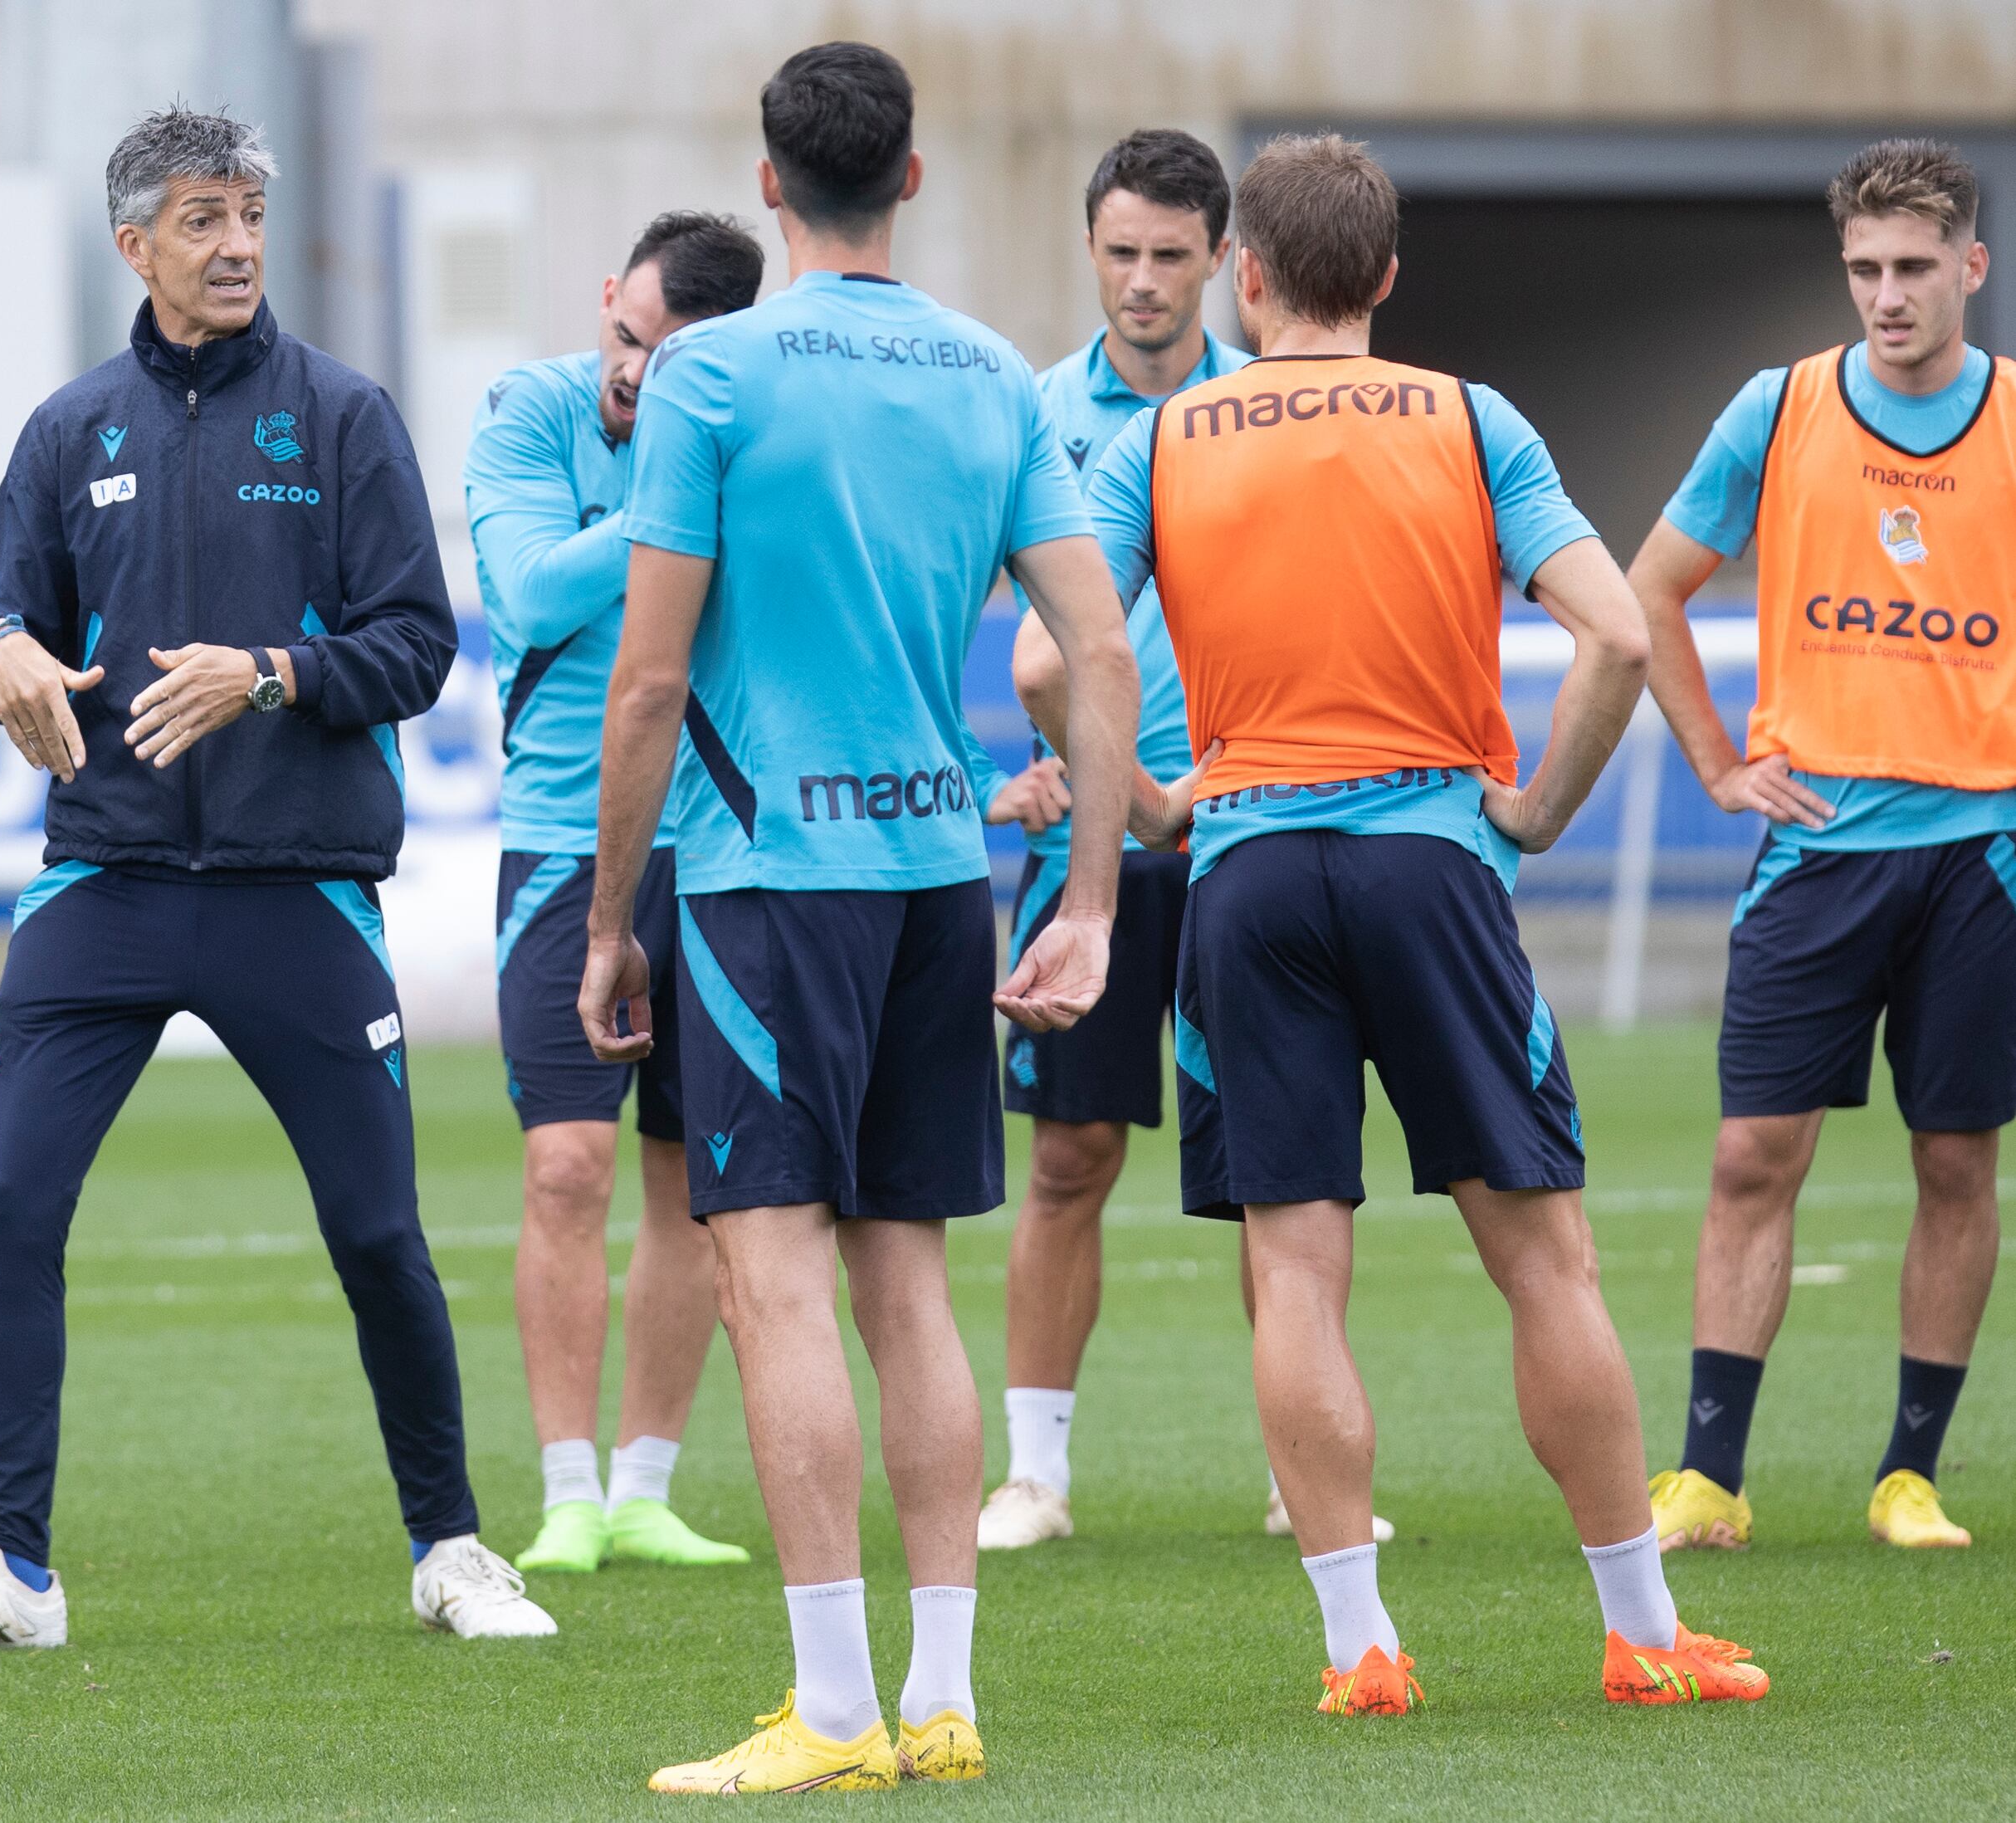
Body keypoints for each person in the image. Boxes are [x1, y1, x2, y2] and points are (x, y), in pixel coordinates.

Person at [1051, 130, 1764, 1715]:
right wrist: (1532, 815)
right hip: (1430, 861)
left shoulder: (1160, 440)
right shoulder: (1467, 416)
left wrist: (1164, 809)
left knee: (1297, 1274)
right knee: (1545, 1261)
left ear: (1243, 276)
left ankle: (1359, 1649)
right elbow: (1619, 636)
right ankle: (1643, 1635)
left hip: (1244, 876)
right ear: (1381, 275)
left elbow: (1058, 663)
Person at [0, 104, 554, 1654]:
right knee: (14, 1205)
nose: (236, 245)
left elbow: (419, 647)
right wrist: (1, 651)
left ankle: (451, 1548)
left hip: (297, 889)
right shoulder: (67, 428)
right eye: (202, 219)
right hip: (100, 880)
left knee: (378, 1233)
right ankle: (10, 1574)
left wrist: (276, 676)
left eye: (249, 215)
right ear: (135, 244)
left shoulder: (346, 414)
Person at [581, 44, 1140, 1791]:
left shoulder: (707, 375)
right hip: (931, 885)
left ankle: (833, 1711)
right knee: (908, 1286)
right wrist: (1096, 903)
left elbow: (649, 679)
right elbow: (1101, 651)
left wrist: (610, 924)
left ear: (766, 184)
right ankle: (944, 1697)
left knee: (772, 1285)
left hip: (762, 890)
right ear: (909, 176)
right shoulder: (992, 371)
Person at [983, 129, 1392, 1552]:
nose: (1143, 280)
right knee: (1070, 1155)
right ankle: (1034, 1474)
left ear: (1230, 260)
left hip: (1244, 838)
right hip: (1088, 851)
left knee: (1275, 1167)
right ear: (1088, 251)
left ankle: (1303, 1472)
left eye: (1172, 254)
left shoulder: (1269, 405)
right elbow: (940, 611)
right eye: (1120, 252)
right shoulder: (1030, 414)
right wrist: (999, 771)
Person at [1635, 138, 2010, 1557]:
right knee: (1751, 1155)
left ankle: (1910, 1474)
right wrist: (1721, 766)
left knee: (1958, 1162)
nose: (1889, 296)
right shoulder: (1779, 408)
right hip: (1818, 849)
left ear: (1972, 266)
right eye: (1865, 269)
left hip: (1986, 859)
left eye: (1917, 268)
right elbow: (1653, 589)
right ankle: (1709, 1479)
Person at [468, 210, 765, 1576]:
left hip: (718, 843)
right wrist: (679, 498)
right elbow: (526, 598)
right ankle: (566, 1490)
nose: (636, 374)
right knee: (566, 1164)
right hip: (560, 835)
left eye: (672, 360)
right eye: (627, 337)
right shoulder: (529, 411)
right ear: (608, 300)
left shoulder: (758, 418)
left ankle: (646, 1484)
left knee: (693, 1184)